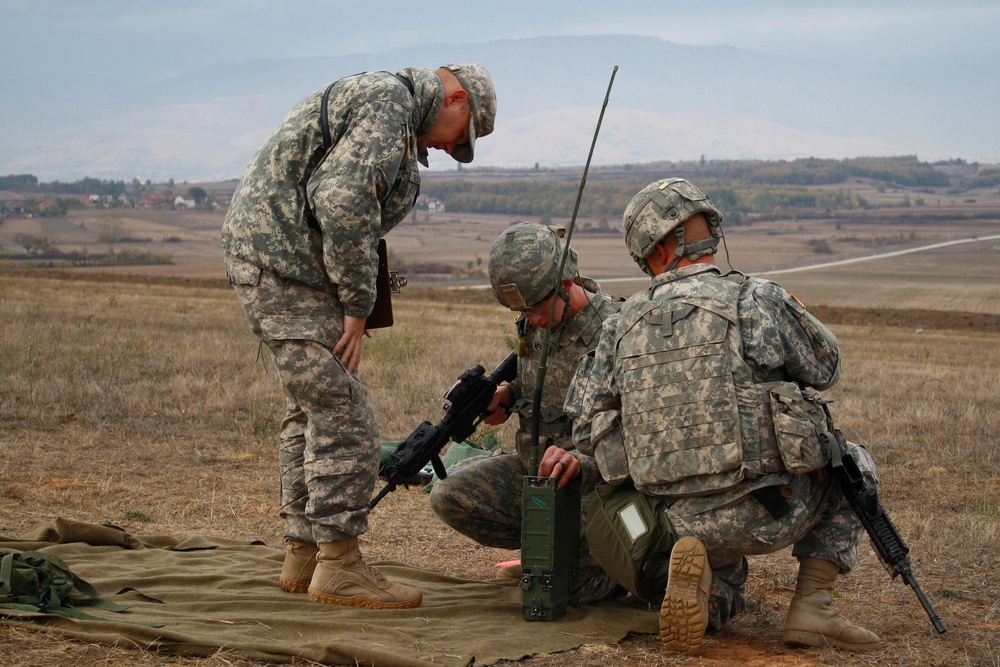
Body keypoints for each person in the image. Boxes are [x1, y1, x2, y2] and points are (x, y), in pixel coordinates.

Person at [564, 178, 881, 654]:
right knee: (854, 461)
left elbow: (585, 426)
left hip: (667, 524)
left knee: (652, 507)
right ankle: (814, 607)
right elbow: (826, 366)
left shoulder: (617, 327)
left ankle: (701, 579)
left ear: (650, 250)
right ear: (703, 229)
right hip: (768, 508)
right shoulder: (755, 299)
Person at [222, 64, 496, 610]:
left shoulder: (390, 109)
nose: (449, 150)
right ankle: (340, 566)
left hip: (290, 267)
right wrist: (356, 306)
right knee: (343, 412)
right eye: (459, 136)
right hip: (286, 270)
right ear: (456, 98)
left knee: (312, 410)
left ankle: (305, 554)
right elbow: (344, 202)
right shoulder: (387, 105)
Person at [427, 222, 622, 604]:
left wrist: (583, 460)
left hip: (594, 485)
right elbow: (537, 379)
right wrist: (507, 394)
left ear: (566, 286)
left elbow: (635, 425)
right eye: (521, 311)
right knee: (448, 495)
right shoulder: (535, 323)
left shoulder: (617, 331)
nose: (530, 318)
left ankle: (602, 571)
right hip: (533, 471)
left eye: (535, 308)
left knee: (564, 590)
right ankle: (547, 552)